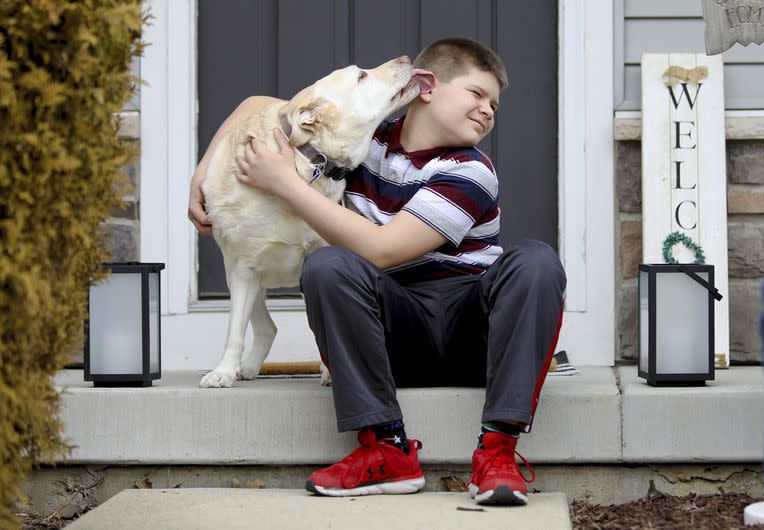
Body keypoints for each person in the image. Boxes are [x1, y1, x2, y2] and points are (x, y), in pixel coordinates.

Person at [188, 37, 566, 506]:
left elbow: (385, 250)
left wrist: (286, 184)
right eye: (476, 94)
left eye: (494, 103)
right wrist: (202, 174)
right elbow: (258, 104)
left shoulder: (471, 170)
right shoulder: (362, 147)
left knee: (536, 260)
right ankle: (386, 448)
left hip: (477, 334)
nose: (488, 110)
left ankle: (498, 452)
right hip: (394, 335)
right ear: (426, 86)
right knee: (326, 265)